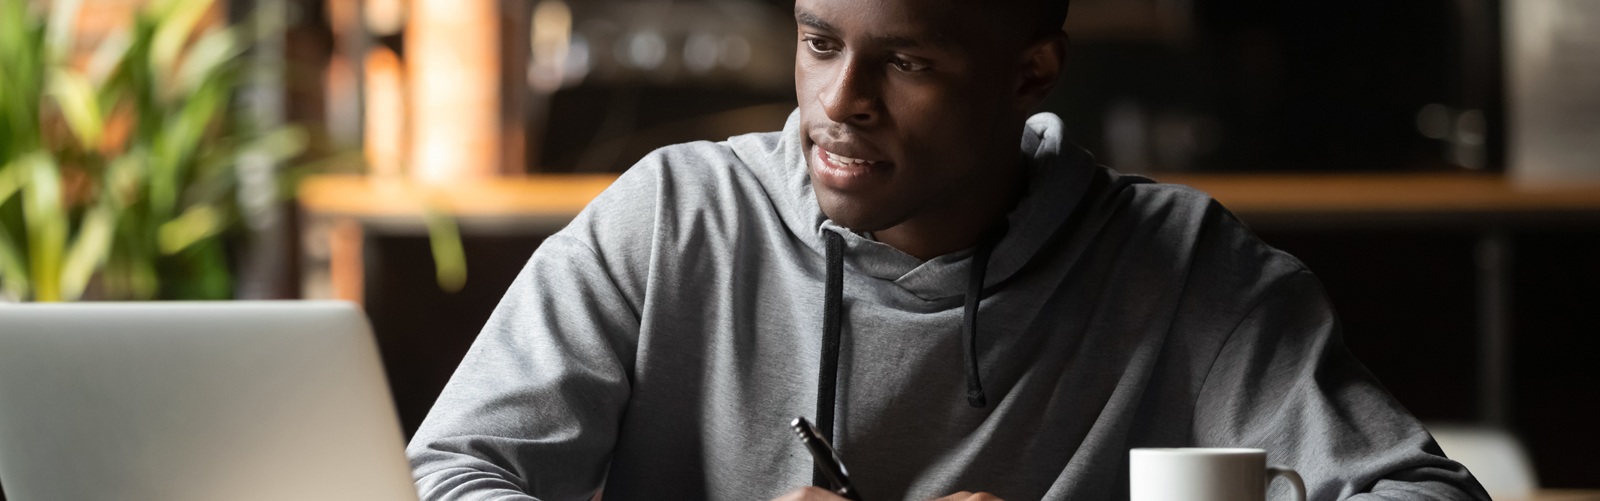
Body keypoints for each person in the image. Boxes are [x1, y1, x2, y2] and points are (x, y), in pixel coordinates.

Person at [406, 0, 1491, 499]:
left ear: (1029, 73)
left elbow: (1421, 497)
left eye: (907, 62)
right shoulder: (670, 217)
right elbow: (455, 475)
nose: (839, 103)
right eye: (819, 43)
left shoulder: (1179, 265)